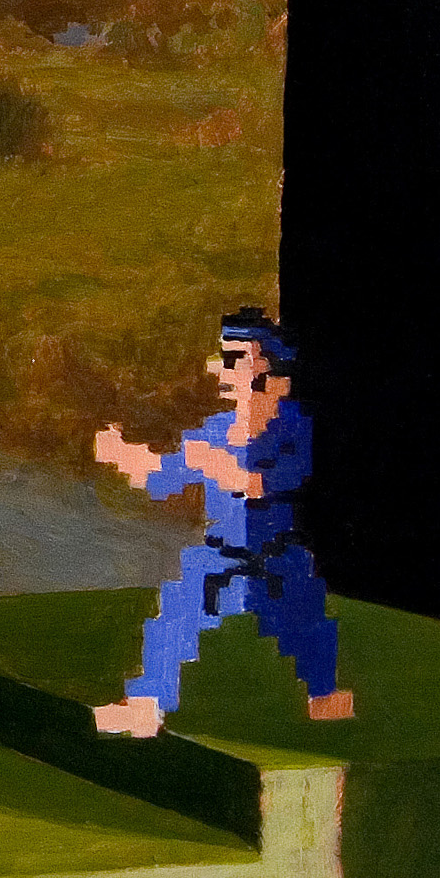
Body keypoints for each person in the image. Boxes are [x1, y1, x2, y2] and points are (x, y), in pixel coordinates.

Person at [89, 311, 354, 737]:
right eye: (223, 357)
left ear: (271, 376)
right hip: (218, 555)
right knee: (174, 615)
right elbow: (162, 477)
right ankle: (145, 705)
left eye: (234, 360)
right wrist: (123, 455)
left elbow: (262, 484)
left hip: (278, 555)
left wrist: (218, 466)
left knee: (307, 625)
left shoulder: (292, 429)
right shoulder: (214, 431)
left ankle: (324, 697)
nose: (220, 368)